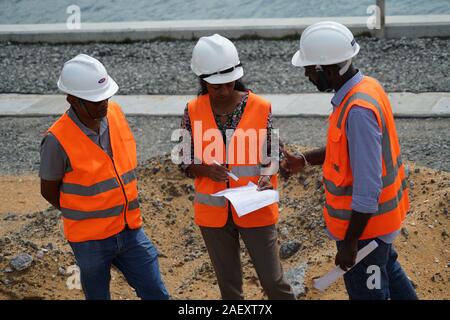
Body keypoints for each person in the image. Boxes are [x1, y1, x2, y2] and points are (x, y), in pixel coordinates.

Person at [283, 21, 418, 300]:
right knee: (387, 270)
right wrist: (304, 160)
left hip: (366, 231)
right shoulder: (366, 87)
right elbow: (346, 151)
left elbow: (368, 189)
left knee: (369, 292)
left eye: (309, 69)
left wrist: (349, 242)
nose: (307, 75)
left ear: (327, 70)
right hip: (377, 228)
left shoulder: (357, 111)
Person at [39, 54, 169, 300]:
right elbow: (48, 189)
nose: (103, 104)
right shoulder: (56, 140)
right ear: (72, 100)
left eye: (105, 97)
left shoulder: (115, 113)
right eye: (95, 100)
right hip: (89, 240)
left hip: (130, 229)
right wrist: (83, 211)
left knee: (156, 292)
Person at [179, 34, 295, 300]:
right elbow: (183, 158)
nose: (223, 90)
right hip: (213, 212)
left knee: (274, 283)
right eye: (216, 86)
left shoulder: (259, 106)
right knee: (229, 290)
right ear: (203, 80)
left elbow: (274, 152)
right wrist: (206, 170)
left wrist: (267, 174)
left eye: (228, 83)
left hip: (255, 207)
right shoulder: (192, 110)